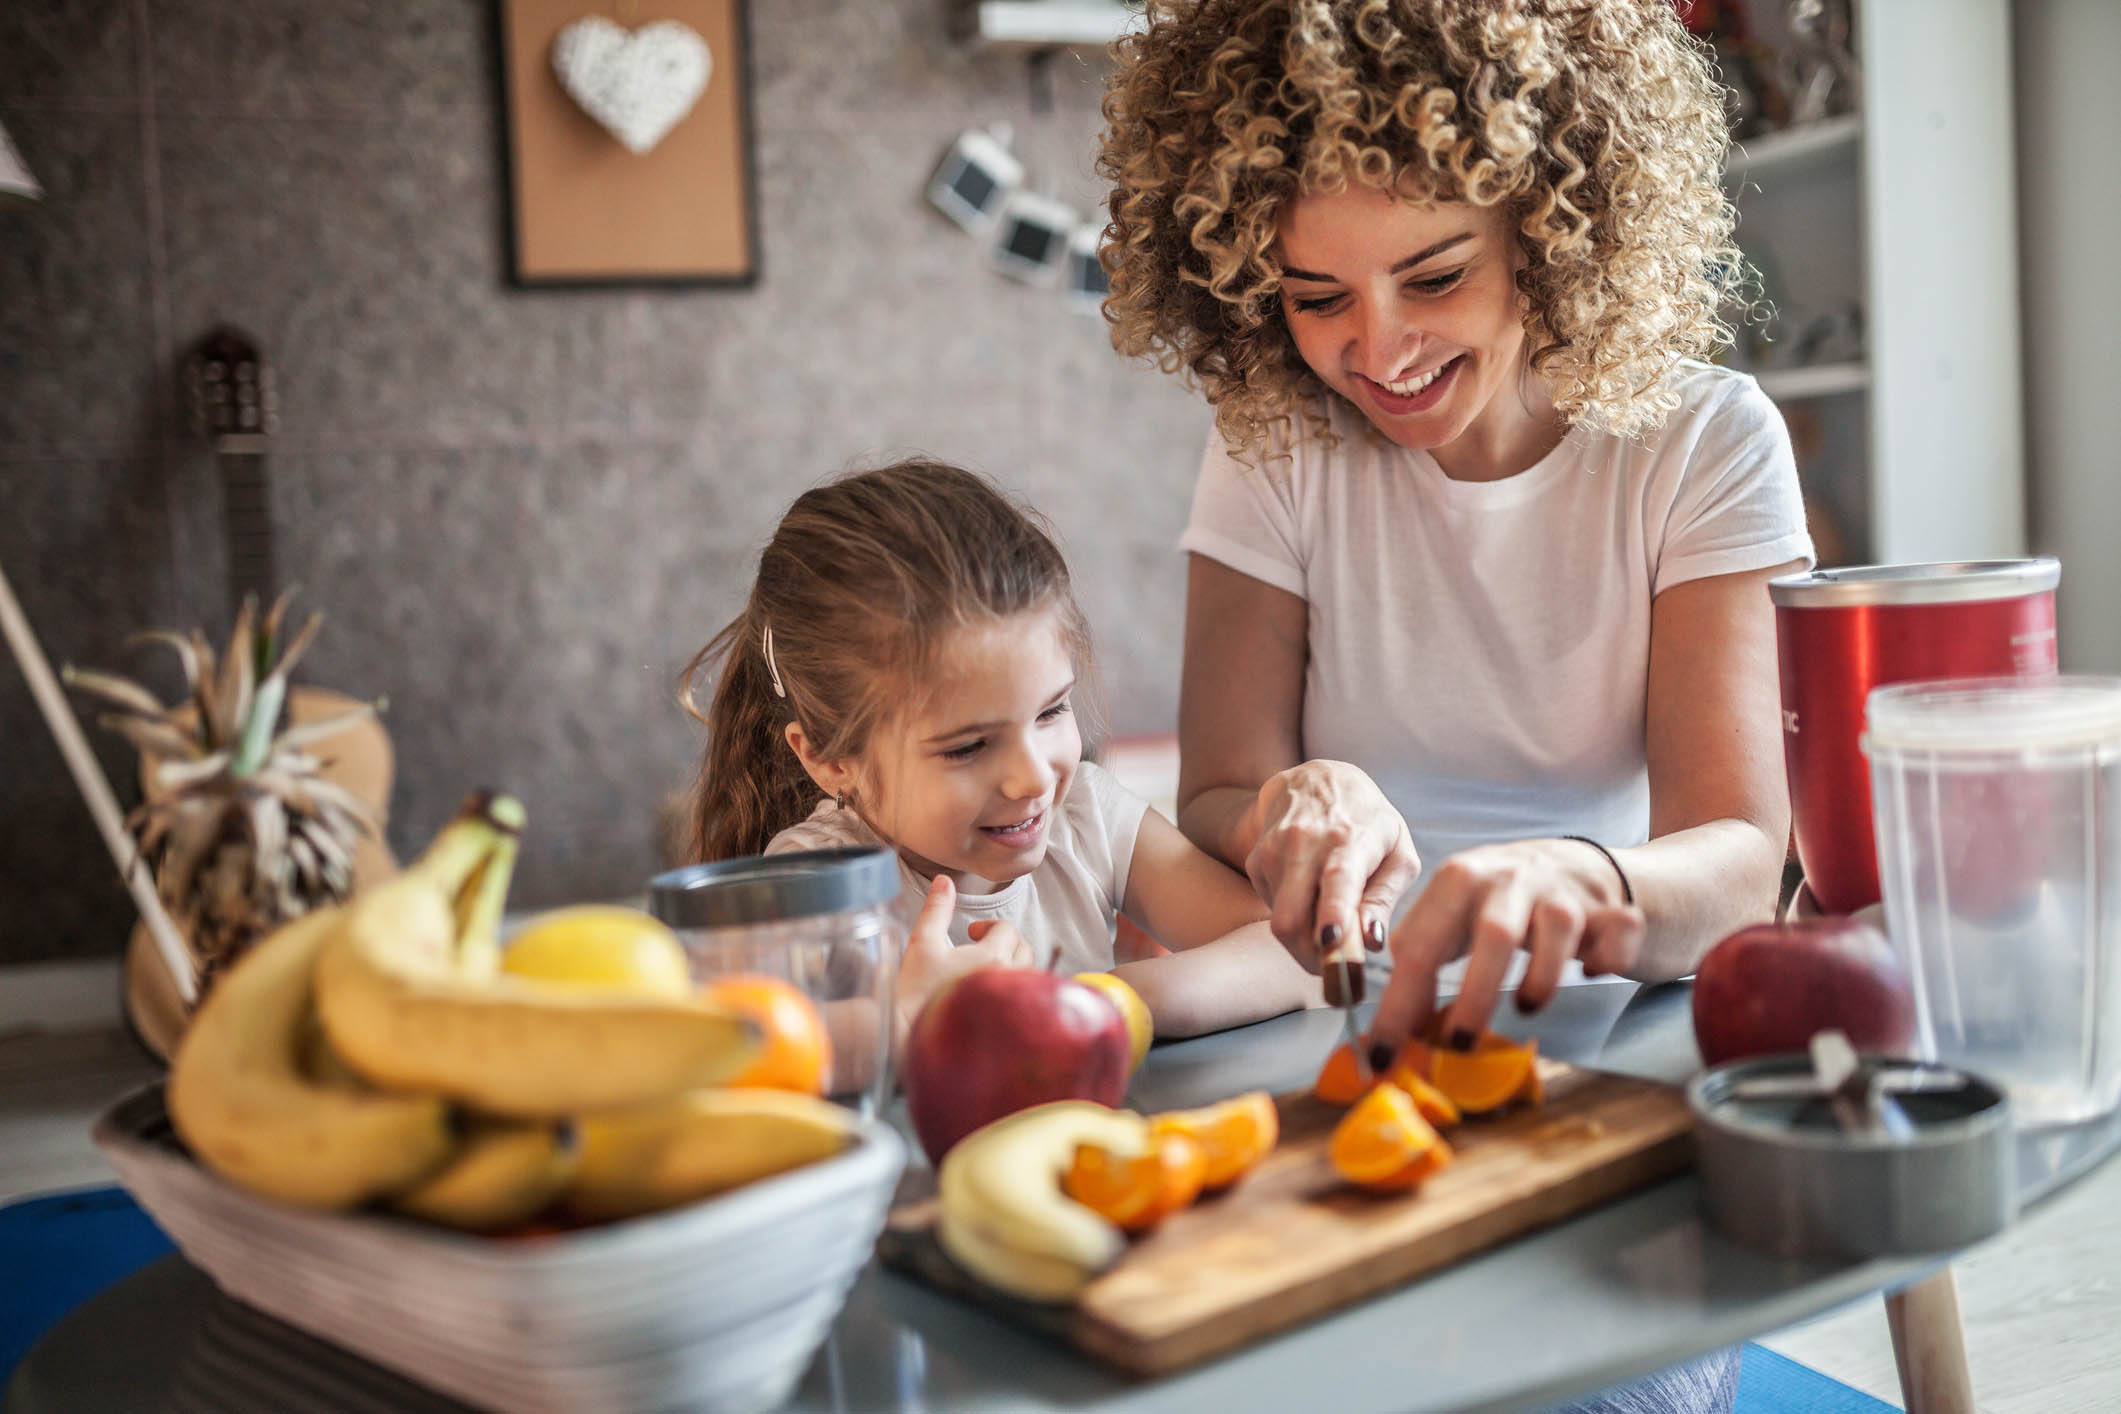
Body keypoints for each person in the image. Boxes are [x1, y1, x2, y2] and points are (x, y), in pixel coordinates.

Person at [681, 459, 1319, 1054]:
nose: (1034, 775)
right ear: (827, 759)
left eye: (1050, 713)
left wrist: (1083, 1006)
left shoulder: (1087, 819)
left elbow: (1298, 955)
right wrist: (915, 1017)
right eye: (968, 747)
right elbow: (737, 1050)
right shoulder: (817, 878)